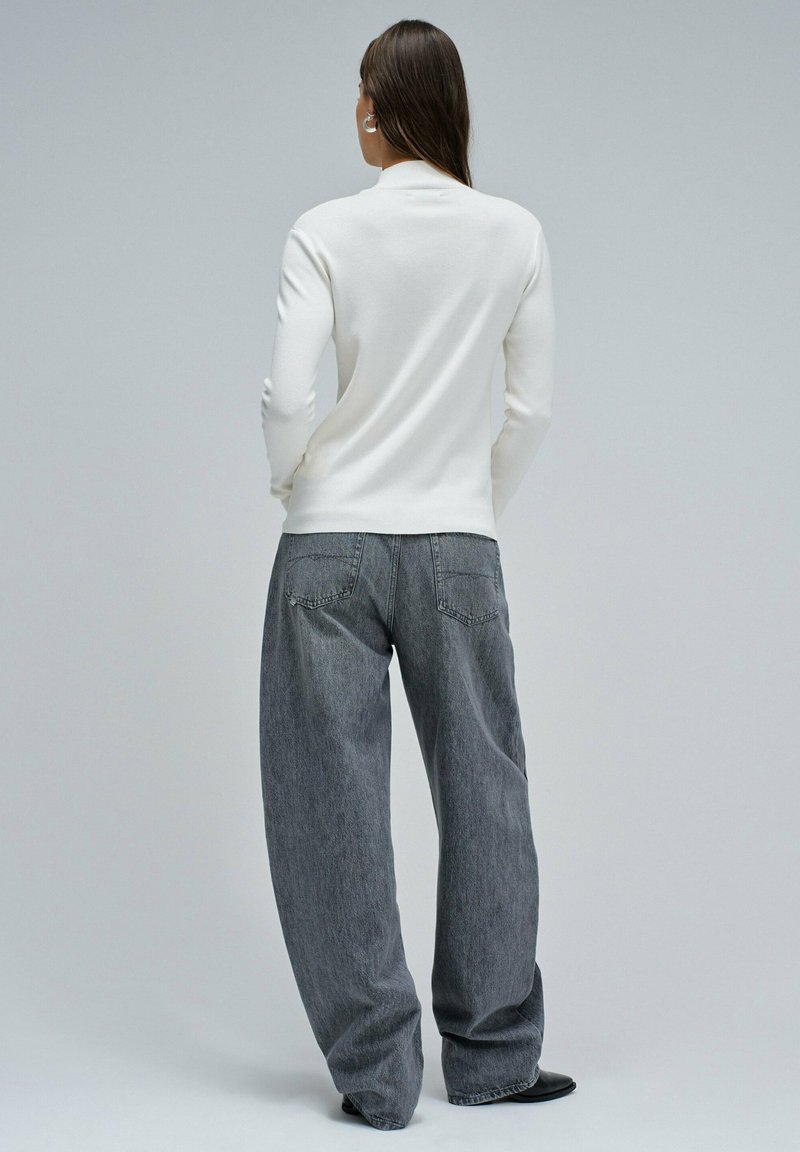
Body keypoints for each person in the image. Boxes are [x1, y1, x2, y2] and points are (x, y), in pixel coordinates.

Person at [258, 18, 575, 1132]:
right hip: (456, 543)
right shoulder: (513, 232)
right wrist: (470, 505)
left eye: (361, 94)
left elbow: (289, 394)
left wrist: (295, 483)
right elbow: (530, 410)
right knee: (486, 787)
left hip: (327, 544)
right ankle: (491, 1058)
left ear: (378, 110)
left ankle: (378, 1079)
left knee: (326, 799)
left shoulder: (324, 231)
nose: (354, 111)